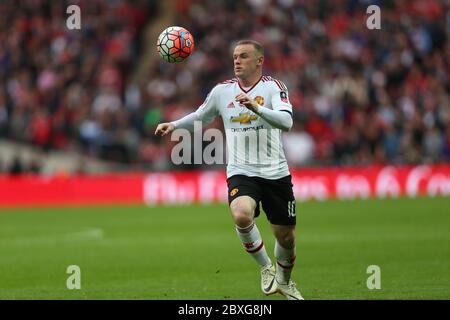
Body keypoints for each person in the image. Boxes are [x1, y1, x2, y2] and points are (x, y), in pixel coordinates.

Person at [155, 39, 303, 300]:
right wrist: (174, 124)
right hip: (241, 170)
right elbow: (201, 116)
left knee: (286, 238)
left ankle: (285, 282)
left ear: (259, 61)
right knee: (242, 215)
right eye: (235, 56)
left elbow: (287, 122)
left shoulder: (273, 87)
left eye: (244, 56)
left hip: (275, 171)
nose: (237, 61)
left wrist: (256, 107)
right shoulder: (222, 91)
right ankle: (266, 268)